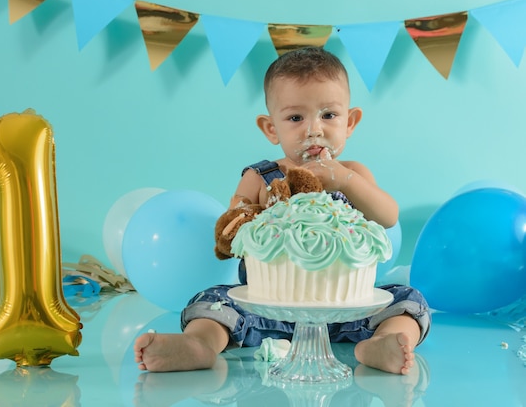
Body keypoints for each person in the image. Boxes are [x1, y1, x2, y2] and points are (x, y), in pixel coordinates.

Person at [134, 46, 430, 375]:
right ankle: (200, 344)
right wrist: (256, 214)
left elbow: (387, 216)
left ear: (351, 122)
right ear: (271, 128)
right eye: (295, 118)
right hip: (266, 308)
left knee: (407, 300)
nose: (314, 129)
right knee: (212, 302)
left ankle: (381, 343)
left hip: (345, 308)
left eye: (329, 115)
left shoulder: (353, 174)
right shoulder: (259, 177)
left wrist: (344, 181)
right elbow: (234, 233)